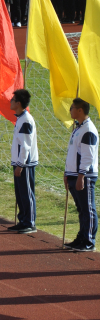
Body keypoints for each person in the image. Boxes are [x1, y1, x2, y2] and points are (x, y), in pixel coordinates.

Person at [63, 98, 98, 252]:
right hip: (74, 174)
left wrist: (81, 176)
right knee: (81, 209)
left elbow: (87, 156)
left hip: (84, 175)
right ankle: (82, 237)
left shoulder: (88, 130)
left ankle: (88, 241)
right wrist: (67, 173)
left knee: (88, 209)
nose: (70, 110)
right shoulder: (78, 128)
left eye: (72, 107)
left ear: (80, 110)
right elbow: (73, 153)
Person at [9, 89, 38, 234]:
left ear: (19, 103)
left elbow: (25, 145)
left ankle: (30, 222)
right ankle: (23, 220)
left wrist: (20, 164)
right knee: (20, 193)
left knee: (26, 193)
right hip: (19, 162)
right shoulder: (20, 118)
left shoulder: (26, 120)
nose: (10, 101)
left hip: (25, 164)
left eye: (13, 100)